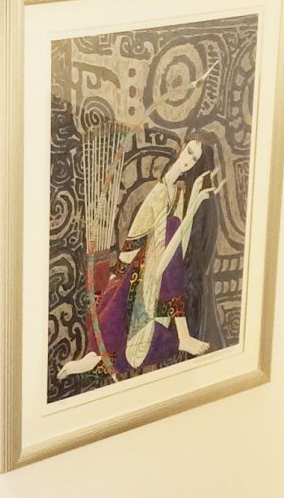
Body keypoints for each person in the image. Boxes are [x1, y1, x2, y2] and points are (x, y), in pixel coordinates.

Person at [59, 133, 221, 381]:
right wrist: (118, 273)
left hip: (159, 272)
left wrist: (195, 203)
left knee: (172, 229)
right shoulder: (162, 190)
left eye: (195, 159)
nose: (188, 160)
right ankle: (181, 336)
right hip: (141, 272)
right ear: (182, 147)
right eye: (189, 152)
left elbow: (178, 245)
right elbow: (137, 233)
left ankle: (180, 336)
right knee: (171, 229)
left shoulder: (180, 195)